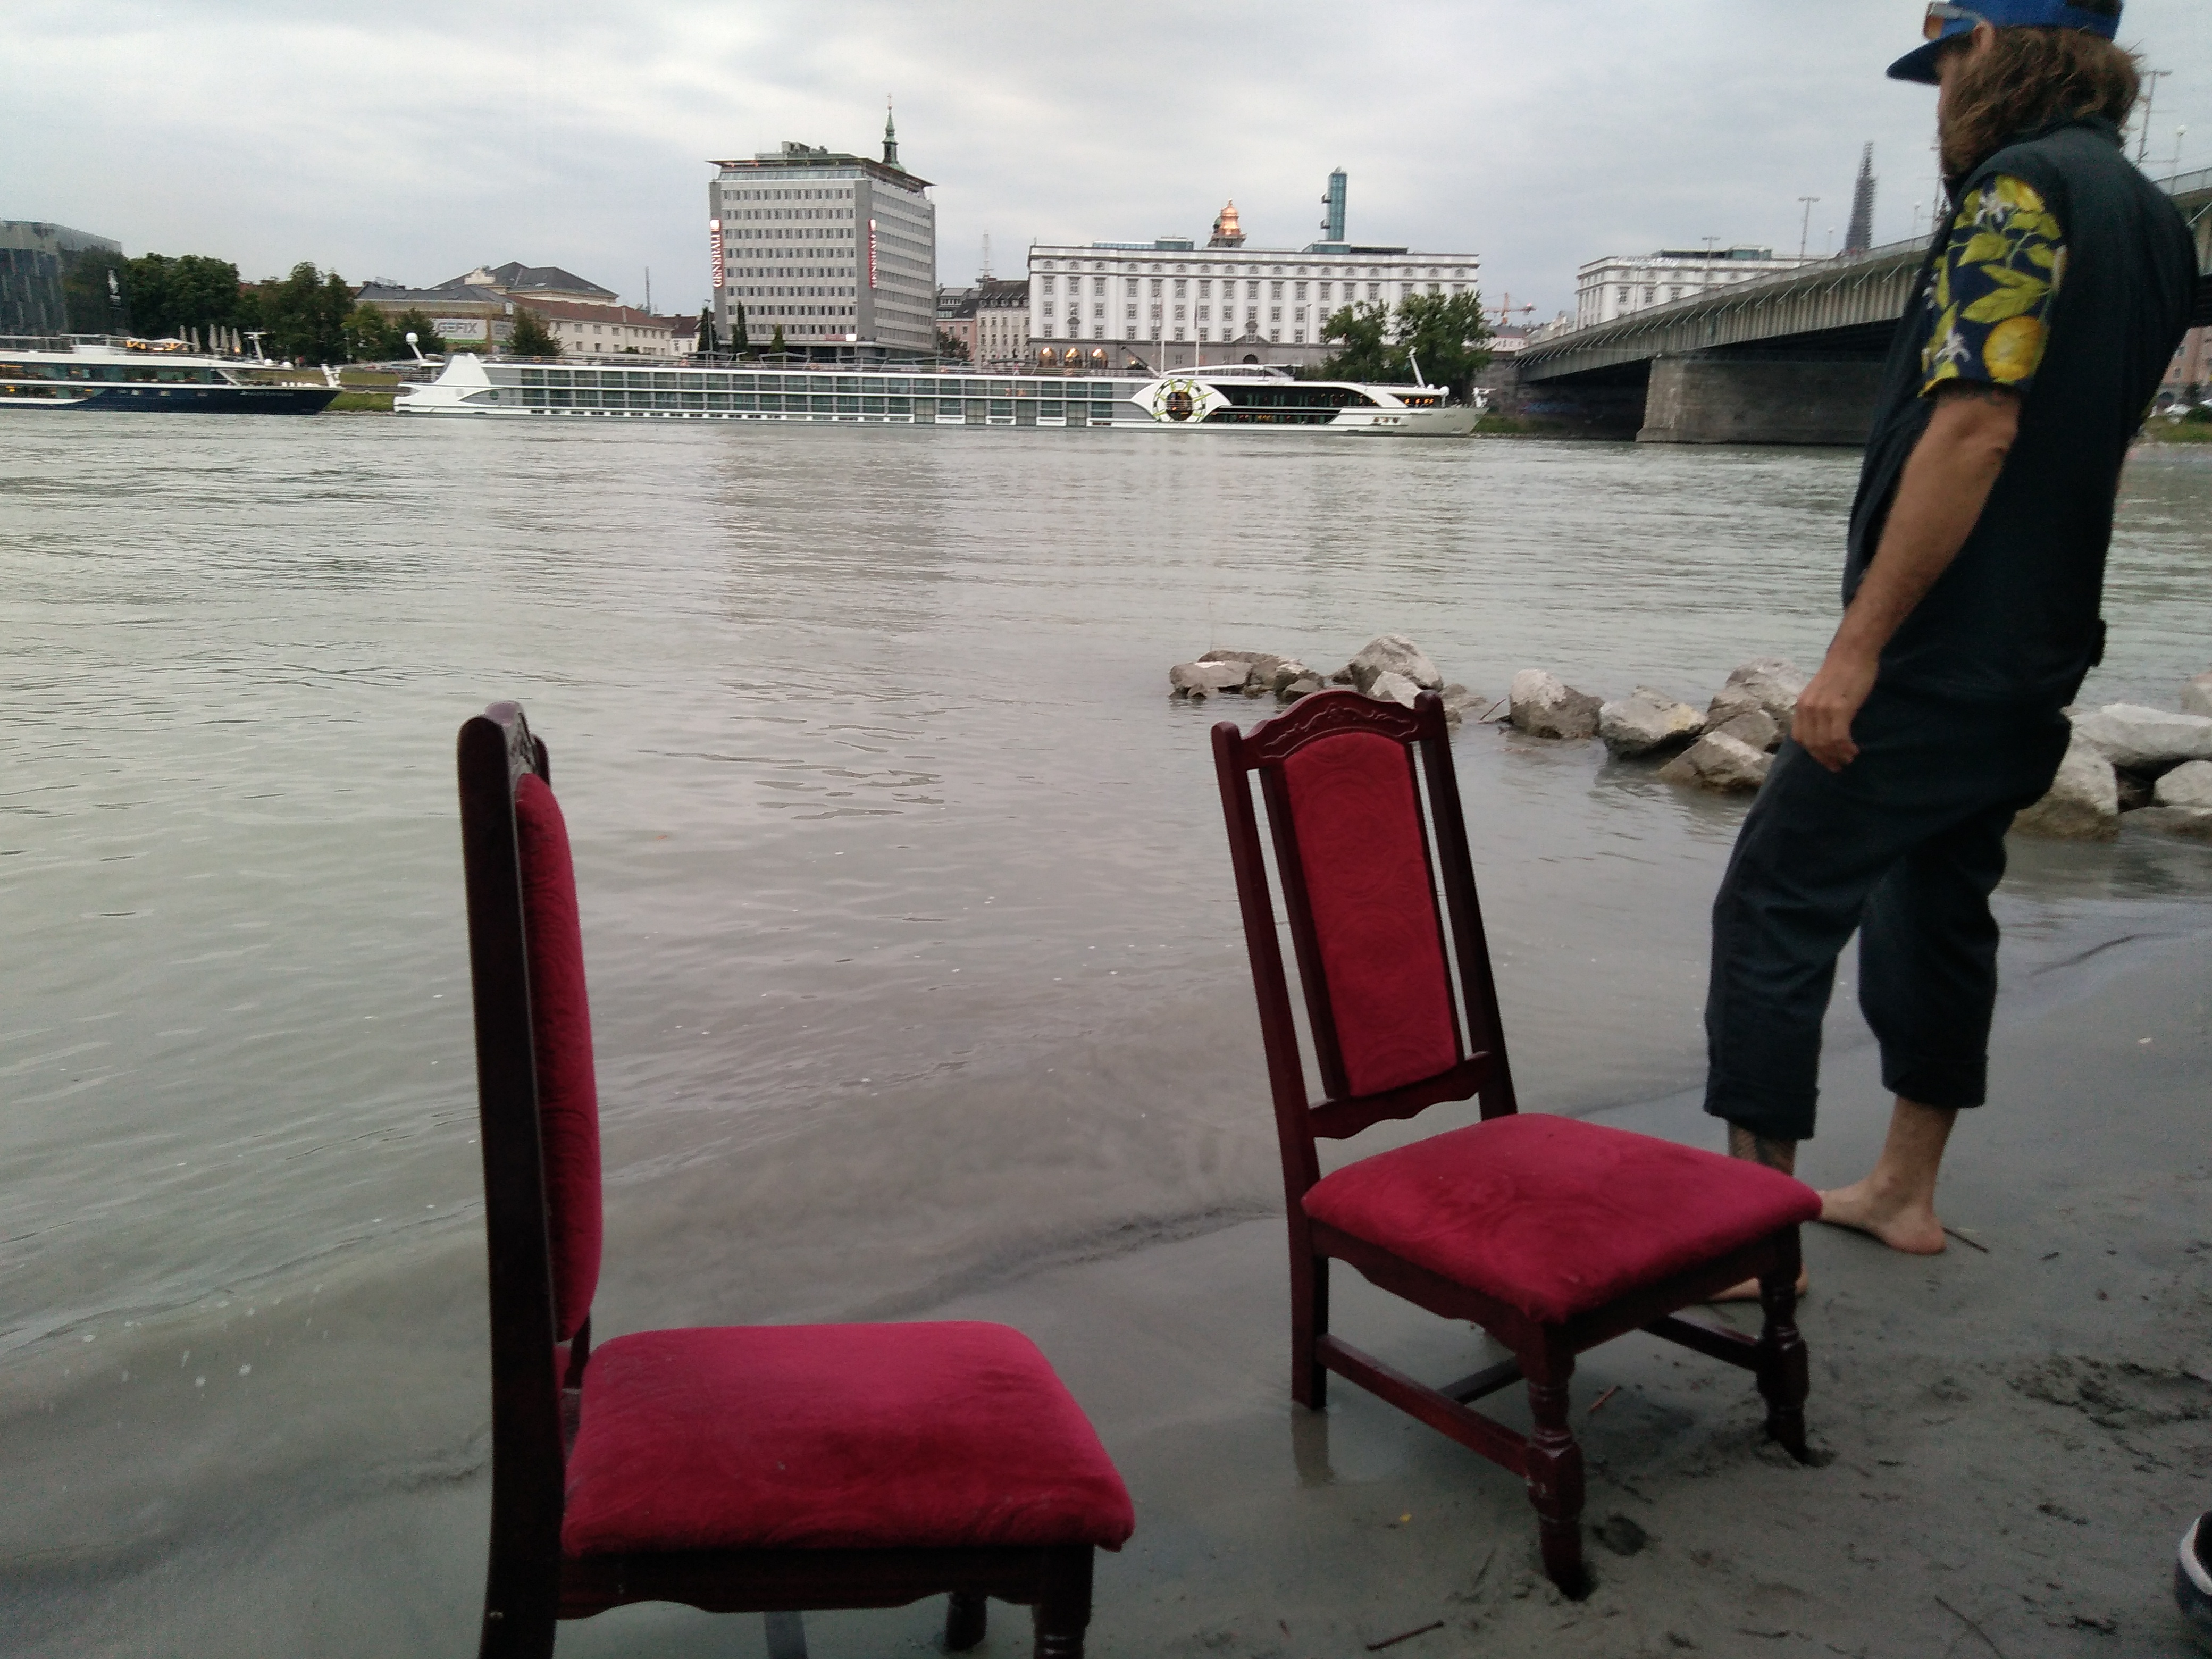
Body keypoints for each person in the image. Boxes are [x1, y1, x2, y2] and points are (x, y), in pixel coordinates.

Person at [1702, 0, 2197, 1255]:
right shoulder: (2147, 217)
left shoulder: (2017, 192)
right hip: (2038, 641)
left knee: (1774, 897)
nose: (1937, 96)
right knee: (1938, 896)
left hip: (1939, 648)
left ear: (1999, 50)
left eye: (1946, 62)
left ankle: (1749, 1238)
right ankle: (1904, 1193)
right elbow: (2100, 438)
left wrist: (1858, 650)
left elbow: (1976, 425)